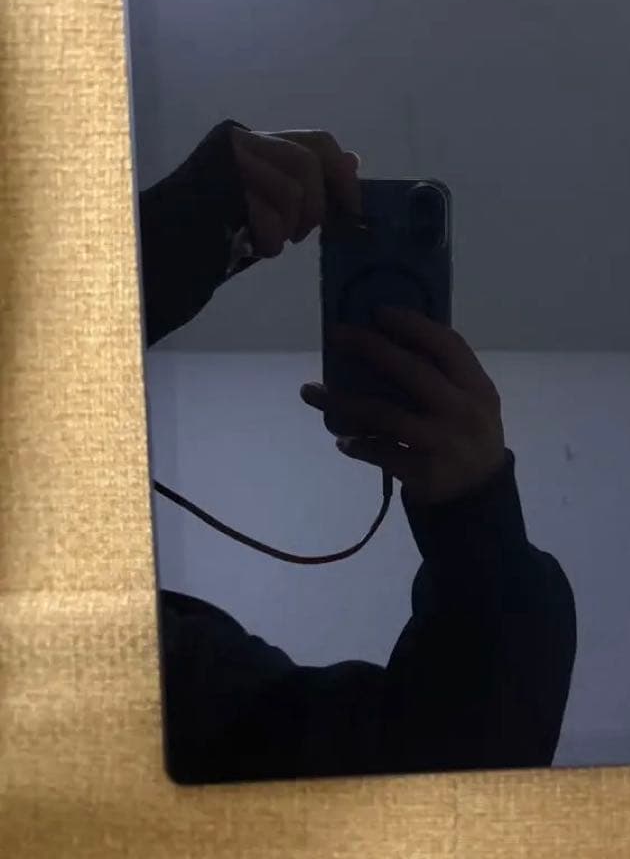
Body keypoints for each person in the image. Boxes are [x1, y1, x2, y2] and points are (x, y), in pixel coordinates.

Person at [140, 119, 577, 784]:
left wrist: (479, 535)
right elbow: (438, 769)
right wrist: (477, 523)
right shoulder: (143, 679)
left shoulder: (147, 680)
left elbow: (424, 771)